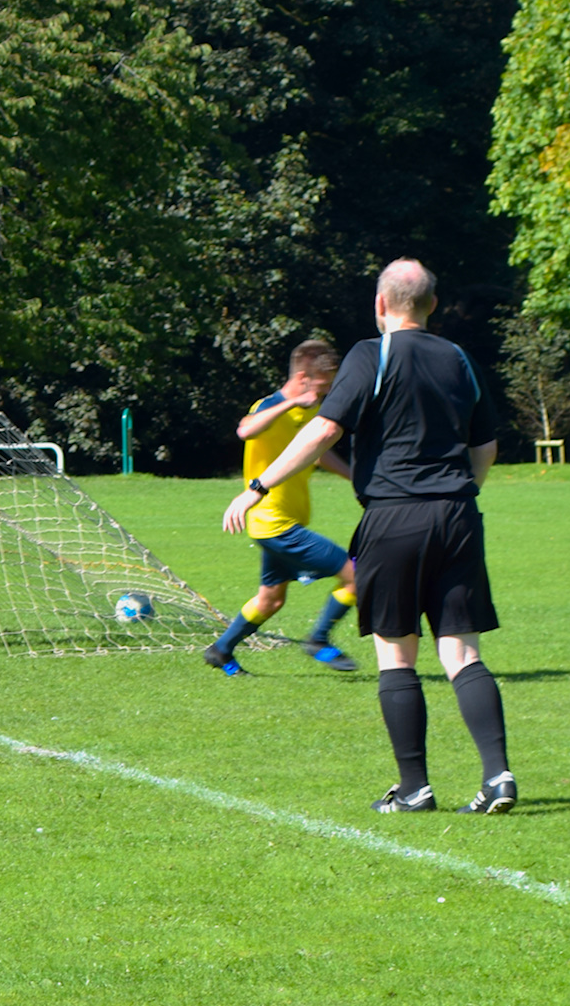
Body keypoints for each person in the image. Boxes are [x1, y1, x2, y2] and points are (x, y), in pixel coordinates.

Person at [225, 259, 515, 815]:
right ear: (432, 305)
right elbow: (485, 447)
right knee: (461, 650)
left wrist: (257, 486)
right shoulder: (460, 358)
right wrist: (459, 495)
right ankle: (498, 778)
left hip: (393, 517)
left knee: (397, 656)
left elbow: (326, 430)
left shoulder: (370, 353)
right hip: (458, 514)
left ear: (381, 306)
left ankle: (414, 789)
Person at [204, 341, 360, 677]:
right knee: (357, 576)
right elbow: (245, 429)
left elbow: (317, 453)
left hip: (282, 523)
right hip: (275, 524)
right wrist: (291, 402)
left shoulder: (312, 411)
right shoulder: (272, 405)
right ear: (303, 377)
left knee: (271, 600)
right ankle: (318, 639)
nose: (328, 391)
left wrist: (355, 477)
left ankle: (221, 650)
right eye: (323, 384)